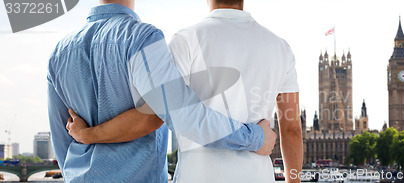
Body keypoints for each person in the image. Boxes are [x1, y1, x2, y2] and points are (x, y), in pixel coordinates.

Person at [68, 0, 304, 182]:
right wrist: (293, 179)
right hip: (257, 176)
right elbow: (291, 129)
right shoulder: (280, 47)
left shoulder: (186, 40)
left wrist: (90, 134)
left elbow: (153, 115)